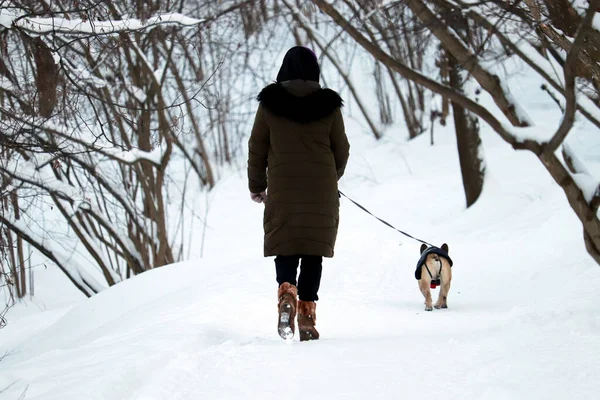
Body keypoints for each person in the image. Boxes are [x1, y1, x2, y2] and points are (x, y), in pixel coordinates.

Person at [247, 46, 350, 341]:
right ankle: (306, 313)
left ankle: (286, 293)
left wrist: (257, 185)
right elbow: (341, 149)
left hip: (282, 188)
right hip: (320, 189)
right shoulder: (329, 105)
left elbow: (257, 147)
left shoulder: (269, 105)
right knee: (313, 250)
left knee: (287, 244)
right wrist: (330, 177)